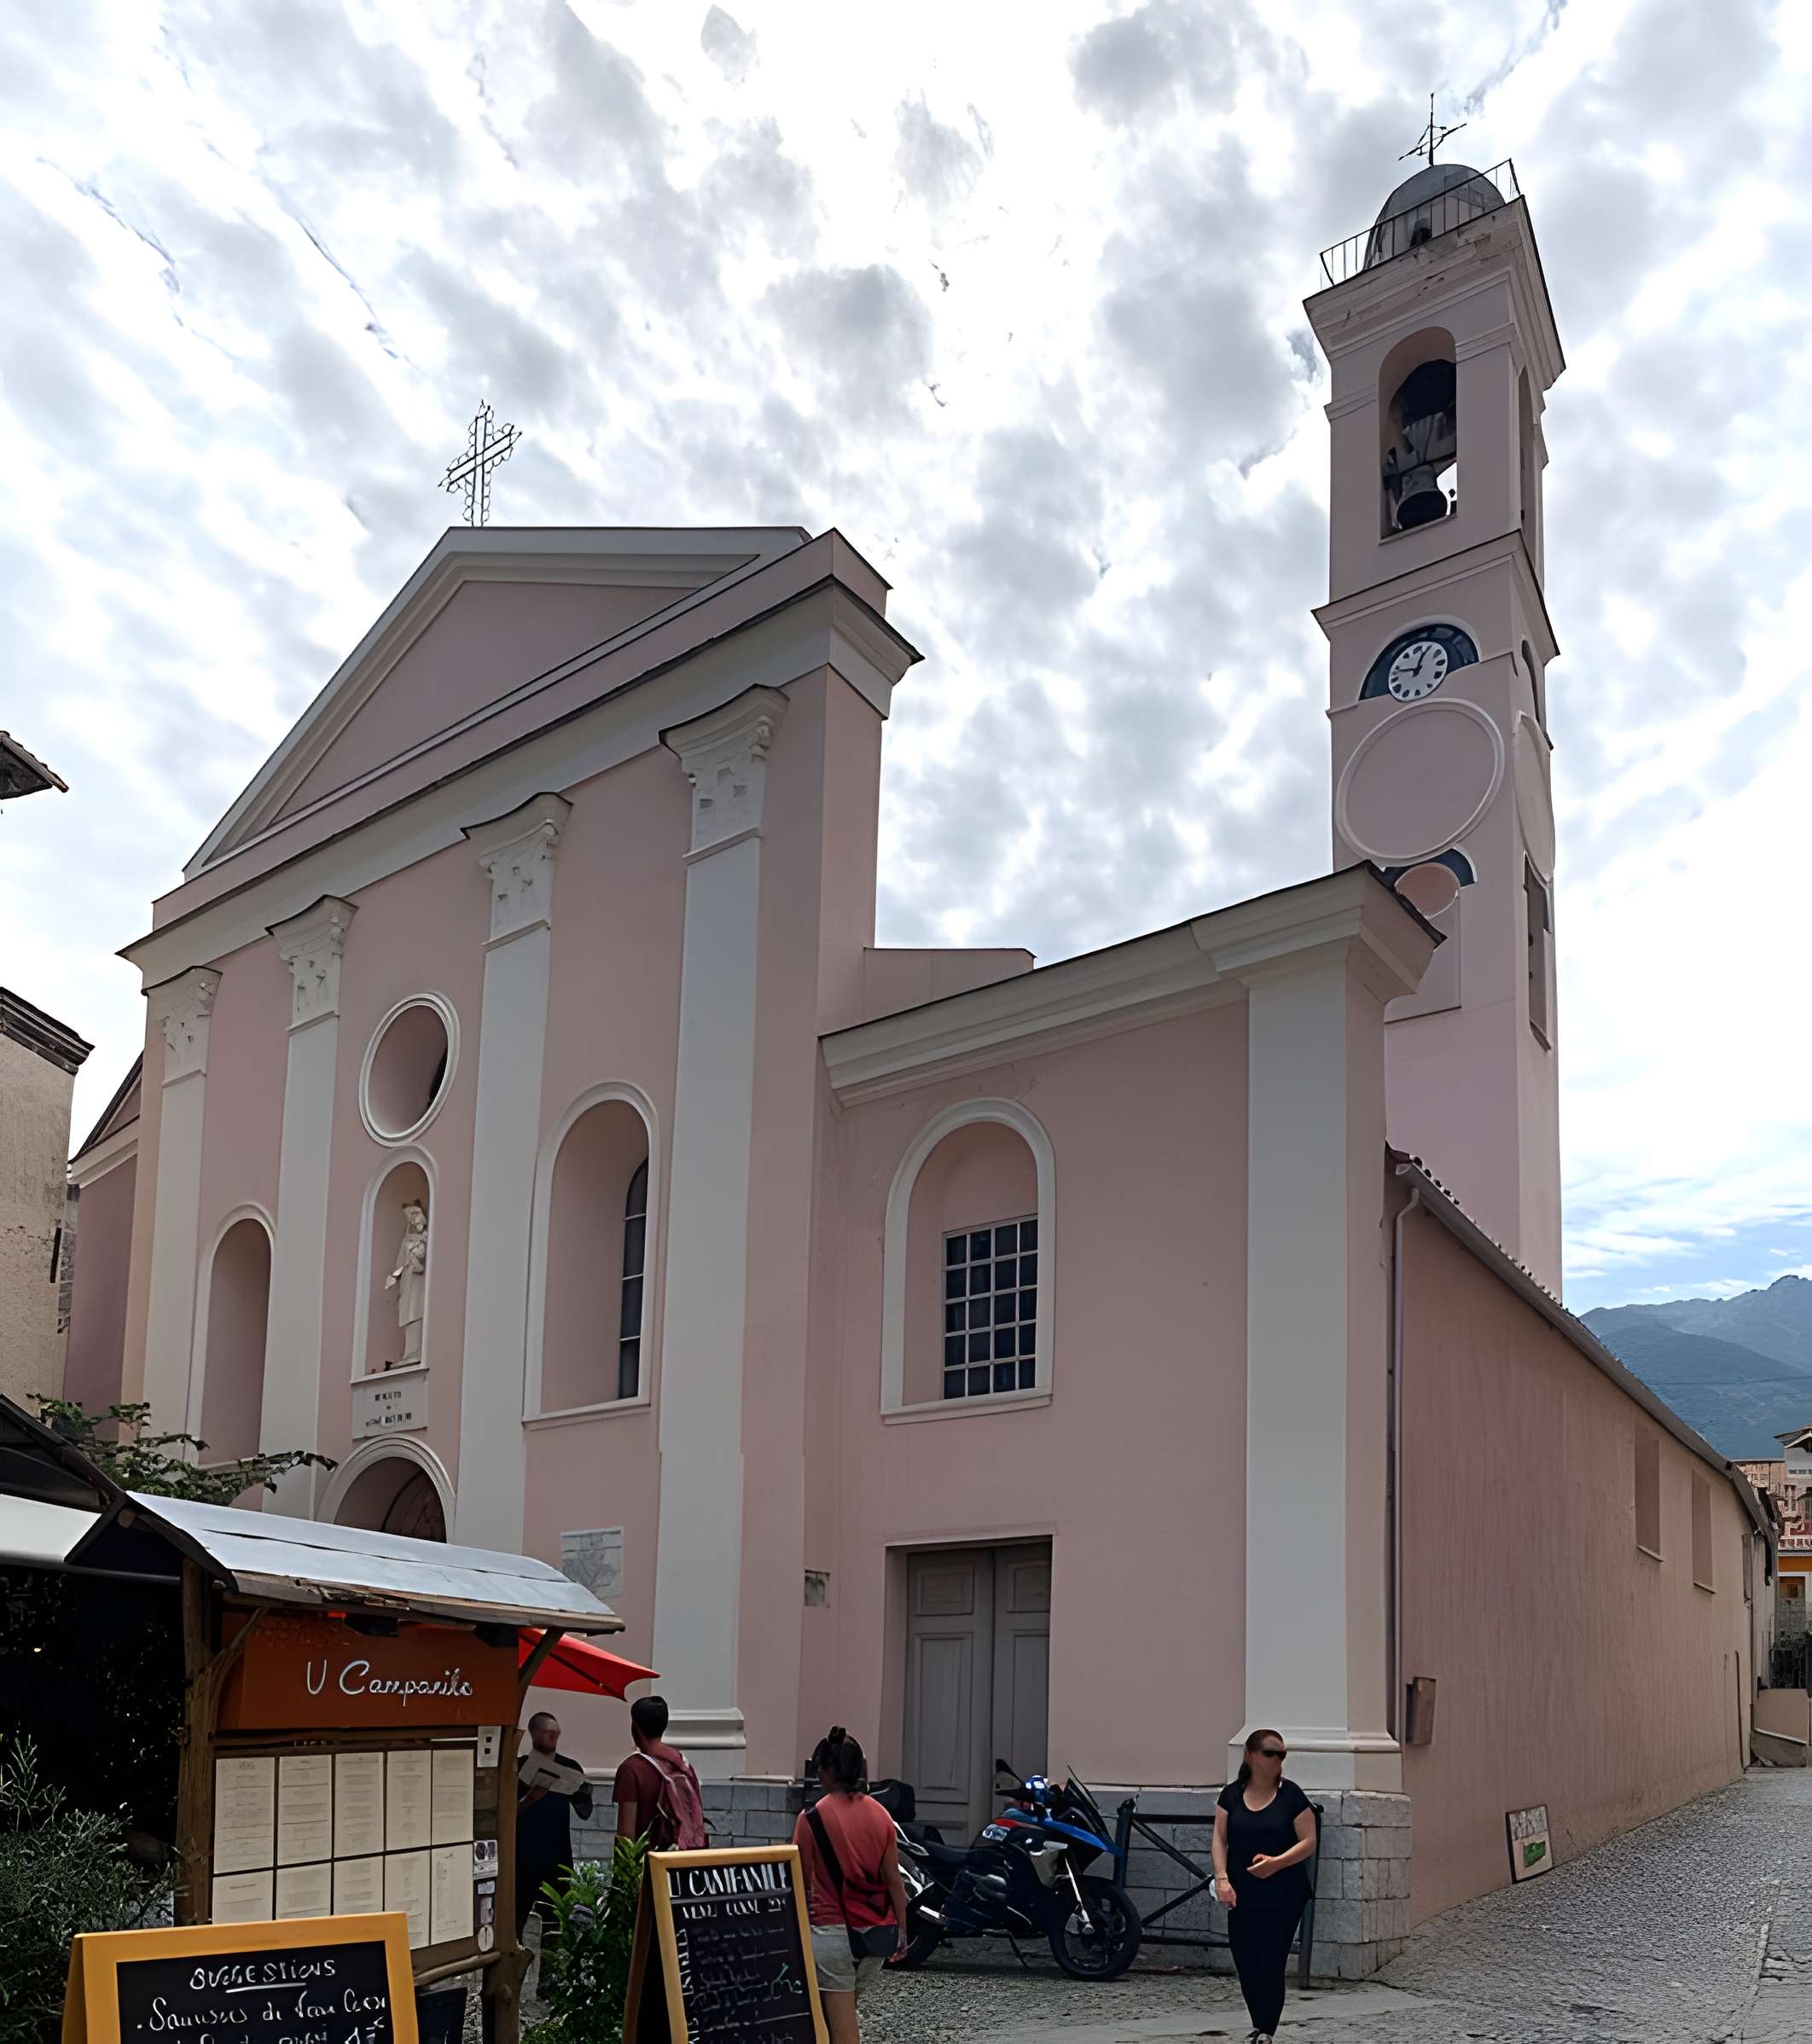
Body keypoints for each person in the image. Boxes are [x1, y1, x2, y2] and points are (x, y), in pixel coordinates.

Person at [792, 1728, 909, 2044]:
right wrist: (903, 1931)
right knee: (838, 2016)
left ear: (828, 1771)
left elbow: (799, 1883)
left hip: (831, 1935)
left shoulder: (811, 1818)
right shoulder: (881, 1816)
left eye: (820, 1767)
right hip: (875, 1937)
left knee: (841, 2029)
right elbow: (894, 1880)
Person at [1211, 1729, 1317, 2044]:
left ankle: (1265, 2031)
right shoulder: (1230, 1795)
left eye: (1282, 1754)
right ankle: (1260, 2024)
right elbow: (1219, 1838)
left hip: (1284, 1894)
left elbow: (1309, 1841)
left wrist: (1276, 1863)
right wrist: (1221, 1879)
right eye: (1271, 1753)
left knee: (1271, 1960)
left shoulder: (1292, 1796)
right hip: (1241, 1893)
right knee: (1245, 1959)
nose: (1278, 1760)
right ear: (1251, 1755)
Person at [515, 1710, 594, 1938]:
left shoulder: (569, 1766)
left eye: (556, 1734)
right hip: (523, 1855)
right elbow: (506, 1812)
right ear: (534, 1733)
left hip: (557, 1854)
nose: (554, 1738)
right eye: (549, 1734)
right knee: (518, 1915)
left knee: (555, 1918)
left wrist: (579, 1786)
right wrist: (531, 1798)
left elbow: (585, 1809)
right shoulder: (519, 1767)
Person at [612, 1694, 706, 1848]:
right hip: (680, 1864)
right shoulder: (682, 1764)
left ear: (635, 1727)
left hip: (650, 1865)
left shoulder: (631, 1769)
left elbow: (626, 1836)